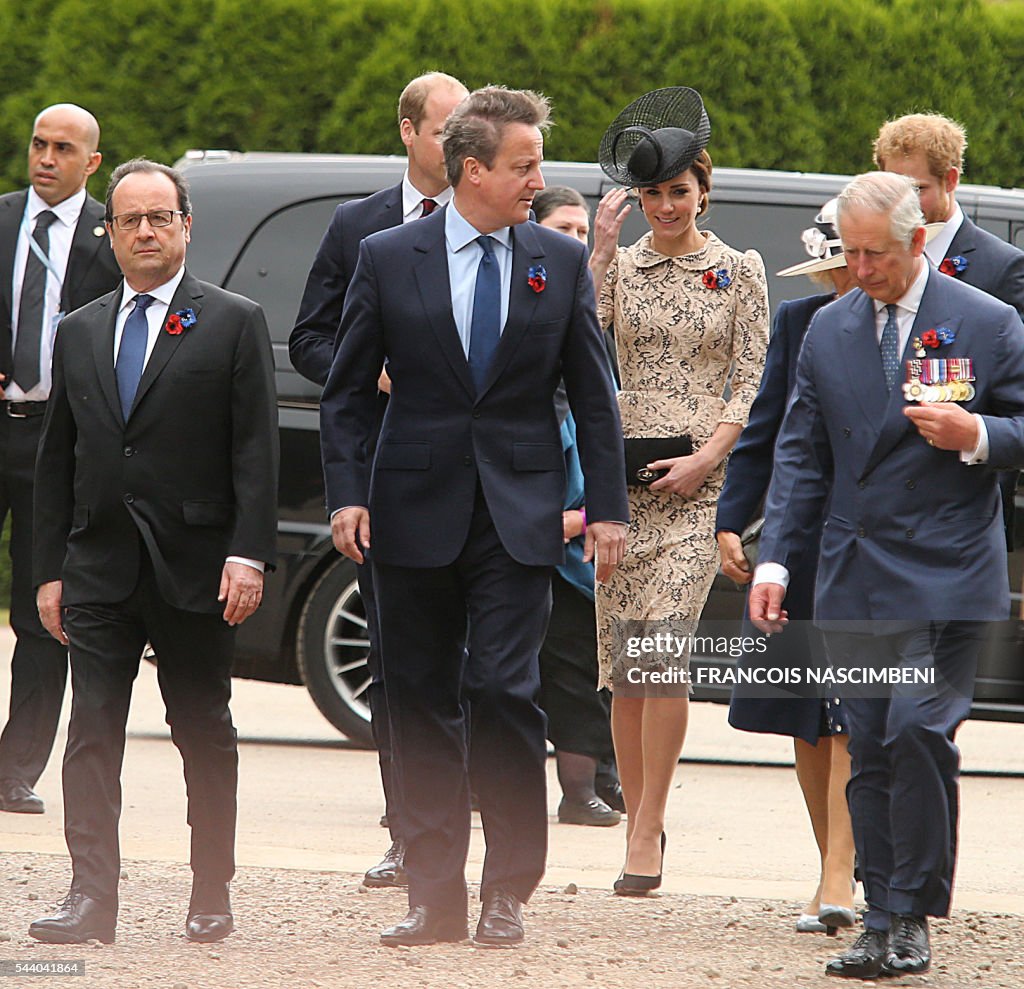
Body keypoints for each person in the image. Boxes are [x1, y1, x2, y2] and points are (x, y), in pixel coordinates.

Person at [320, 86, 628, 948]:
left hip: (519, 512)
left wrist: (605, 506)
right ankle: (433, 893)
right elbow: (346, 392)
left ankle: (508, 888)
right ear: (473, 169)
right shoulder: (387, 255)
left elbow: (595, 398)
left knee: (501, 687)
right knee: (416, 700)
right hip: (408, 511)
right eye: (525, 166)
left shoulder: (557, 262)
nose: (540, 180)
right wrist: (347, 492)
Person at [750, 171, 1024, 980]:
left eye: (873, 253)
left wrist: (976, 430)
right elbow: (801, 453)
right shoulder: (829, 330)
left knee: (918, 731)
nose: (859, 269)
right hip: (853, 570)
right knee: (867, 743)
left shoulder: (988, 319)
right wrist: (774, 557)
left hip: (945, 568)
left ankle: (913, 913)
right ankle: (878, 914)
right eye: (849, 252)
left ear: (915, 241)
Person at [28, 159, 279, 945]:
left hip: (198, 567)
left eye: (158, 217)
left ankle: (212, 891)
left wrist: (249, 554)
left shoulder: (233, 321)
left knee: (203, 728)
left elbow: (256, 453)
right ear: (109, 232)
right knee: (91, 733)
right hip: (99, 566)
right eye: (129, 219)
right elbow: (56, 460)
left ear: (185, 225)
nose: (144, 231)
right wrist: (46, 570)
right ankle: (89, 898)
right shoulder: (79, 330)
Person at [290, 70, 468, 892]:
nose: (461, 143)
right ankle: (410, 833)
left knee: (484, 669)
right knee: (401, 665)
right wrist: (373, 375)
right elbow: (310, 341)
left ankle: (476, 831)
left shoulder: (500, 220)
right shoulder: (357, 225)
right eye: (445, 129)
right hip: (388, 471)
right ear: (408, 132)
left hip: (481, 478)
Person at [590, 87, 768, 895]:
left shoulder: (739, 270)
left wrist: (708, 459)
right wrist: (599, 244)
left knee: (661, 656)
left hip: (699, 487)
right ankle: (637, 813)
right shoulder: (622, 268)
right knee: (626, 663)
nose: (666, 206)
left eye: (678, 191)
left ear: (704, 190)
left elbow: (752, 377)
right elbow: (581, 348)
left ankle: (648, 823)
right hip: (625, 484)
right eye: (653, 192)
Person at [716, 200, 856, 934]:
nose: (845, 279)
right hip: (798, 536)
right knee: (805, 713)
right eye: (835, 268)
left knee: (848, 711)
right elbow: (765, 428)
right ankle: (832, 858)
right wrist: (731, 520)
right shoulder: (800, 323)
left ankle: (839, 875)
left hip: (874, 539)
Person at [0, 103, 120, 815]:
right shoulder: (1, 217)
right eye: (39, 144)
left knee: (45, 605)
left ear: (91, 162)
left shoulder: (112, 236)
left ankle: (14, 768)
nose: (46, 157)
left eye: (63, 148)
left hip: (59, 440)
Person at [532, 186, 622, 827]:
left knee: (588, 665)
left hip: (587, 524)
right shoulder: (526, 301)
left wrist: (588, 514)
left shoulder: (606, 302)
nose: (578, 239)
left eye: (583, 230)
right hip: (518, 518)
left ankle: (592, 785)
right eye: (564, 228)